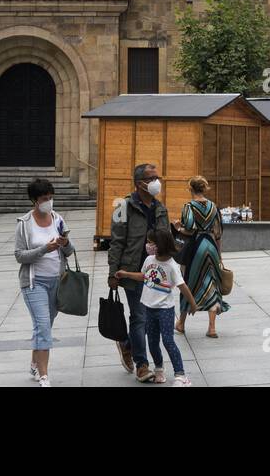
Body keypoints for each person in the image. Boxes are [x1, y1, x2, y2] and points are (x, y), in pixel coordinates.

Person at [107, 163, 171, 383]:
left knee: (152, 318)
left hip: (157, 274)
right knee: (140, 317)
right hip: (133, 271)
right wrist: (113, 272)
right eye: (151, 178)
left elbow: (165, 238)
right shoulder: (122, 206)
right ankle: (142, 366)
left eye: (157, 177)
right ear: (139, 183)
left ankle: (126, 344)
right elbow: (115, 242)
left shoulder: (160, 208)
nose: (156, 181)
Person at [114, 228, 197, 385]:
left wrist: (192, 304)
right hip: (149, 308)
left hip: (165, 310)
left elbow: (182, 286)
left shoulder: (172, 266)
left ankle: (181, 375)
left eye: (151, 242)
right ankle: (159, 369)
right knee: (152, 342)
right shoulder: (149, 260)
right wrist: (126, 274)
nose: (148, 245)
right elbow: (143, 276)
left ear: (161, 244)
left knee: (168, 341)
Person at [13, 178, 74, 387]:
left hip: (57, 281)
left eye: (50, 197)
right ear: (34, 200)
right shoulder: (24, 224)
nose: (48, 202)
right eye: (44, 198)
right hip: (33, 282)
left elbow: (69, 251)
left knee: (44, 325)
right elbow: (20, 255)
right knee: (43, 325)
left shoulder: (58, 219)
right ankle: (45, 375)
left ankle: (34, 362)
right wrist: (44, 249)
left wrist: (65, 244)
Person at [174, 176, 229, 337]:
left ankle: (181, 323)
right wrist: (219, 256)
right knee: (212, 284)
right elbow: (218, 233)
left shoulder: (189, 206)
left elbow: (189, 229)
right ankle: (212, 328)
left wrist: (178, 228)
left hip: (195, 248)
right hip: (211, 247)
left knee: (188, 282)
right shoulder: (213, 206)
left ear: (190, 189)